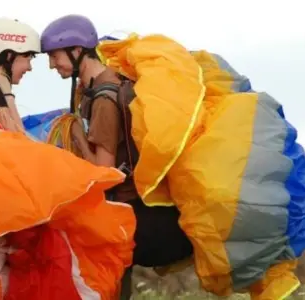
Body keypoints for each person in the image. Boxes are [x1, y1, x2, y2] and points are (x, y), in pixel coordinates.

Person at [40, 14, 194, 299]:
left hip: (122, 210)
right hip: (127, 209)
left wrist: (74, 137)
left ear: (77, 51)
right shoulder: (97, 87)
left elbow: (104, 171)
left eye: (54, 55)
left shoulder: (103, 97)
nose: (52, 64)